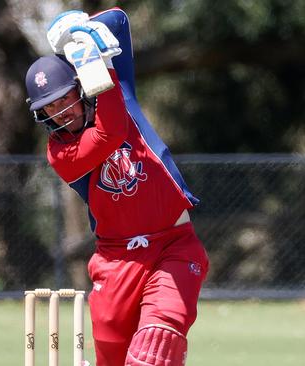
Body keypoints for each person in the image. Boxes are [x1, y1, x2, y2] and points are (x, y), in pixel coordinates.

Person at [24, 8, 209, 366]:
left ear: (79, 87)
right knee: (113, 359)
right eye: (50, 108)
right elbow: (111, 132)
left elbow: (118, 20)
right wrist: (99, 64)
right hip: (115, 260)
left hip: (173, 246)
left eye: (64, 98)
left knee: (156, 346)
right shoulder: (61, 153)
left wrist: (79, 34)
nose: (61, 112)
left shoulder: (121, 95)